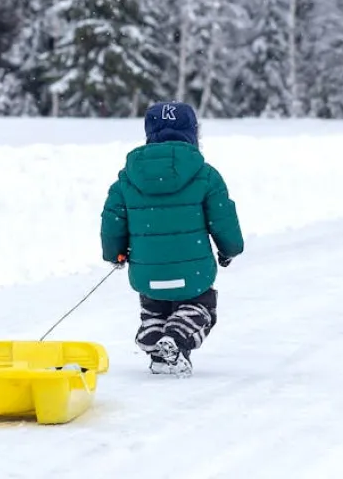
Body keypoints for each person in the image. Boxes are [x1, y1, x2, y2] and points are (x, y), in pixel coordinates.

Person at [100, 100, 244, 376]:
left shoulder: (127, 179)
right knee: (200, 309)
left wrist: (114, 253)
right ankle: (176, 338)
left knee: (156, 305)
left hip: (147, 273)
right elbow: (223, 218)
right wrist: (230, 249)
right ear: (192, 134)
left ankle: (155, 339)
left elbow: (112, 222)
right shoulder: (205, 175)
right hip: (194, 273)